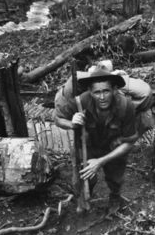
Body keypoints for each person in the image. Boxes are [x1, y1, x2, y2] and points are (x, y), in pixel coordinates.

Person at [53, 67, 137, 210]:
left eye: (106, 91)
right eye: (97, 92)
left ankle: (115, 197)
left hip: (114, 146)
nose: (102, 97)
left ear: (114, 90)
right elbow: (57, 119)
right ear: (90, 92)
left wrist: (100, 161)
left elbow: (129, 142)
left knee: (115, 177)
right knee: (86, 176)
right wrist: (72, 123)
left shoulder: (125, 105)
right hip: (88, 145)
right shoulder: (81, 101)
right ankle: (85, 197)